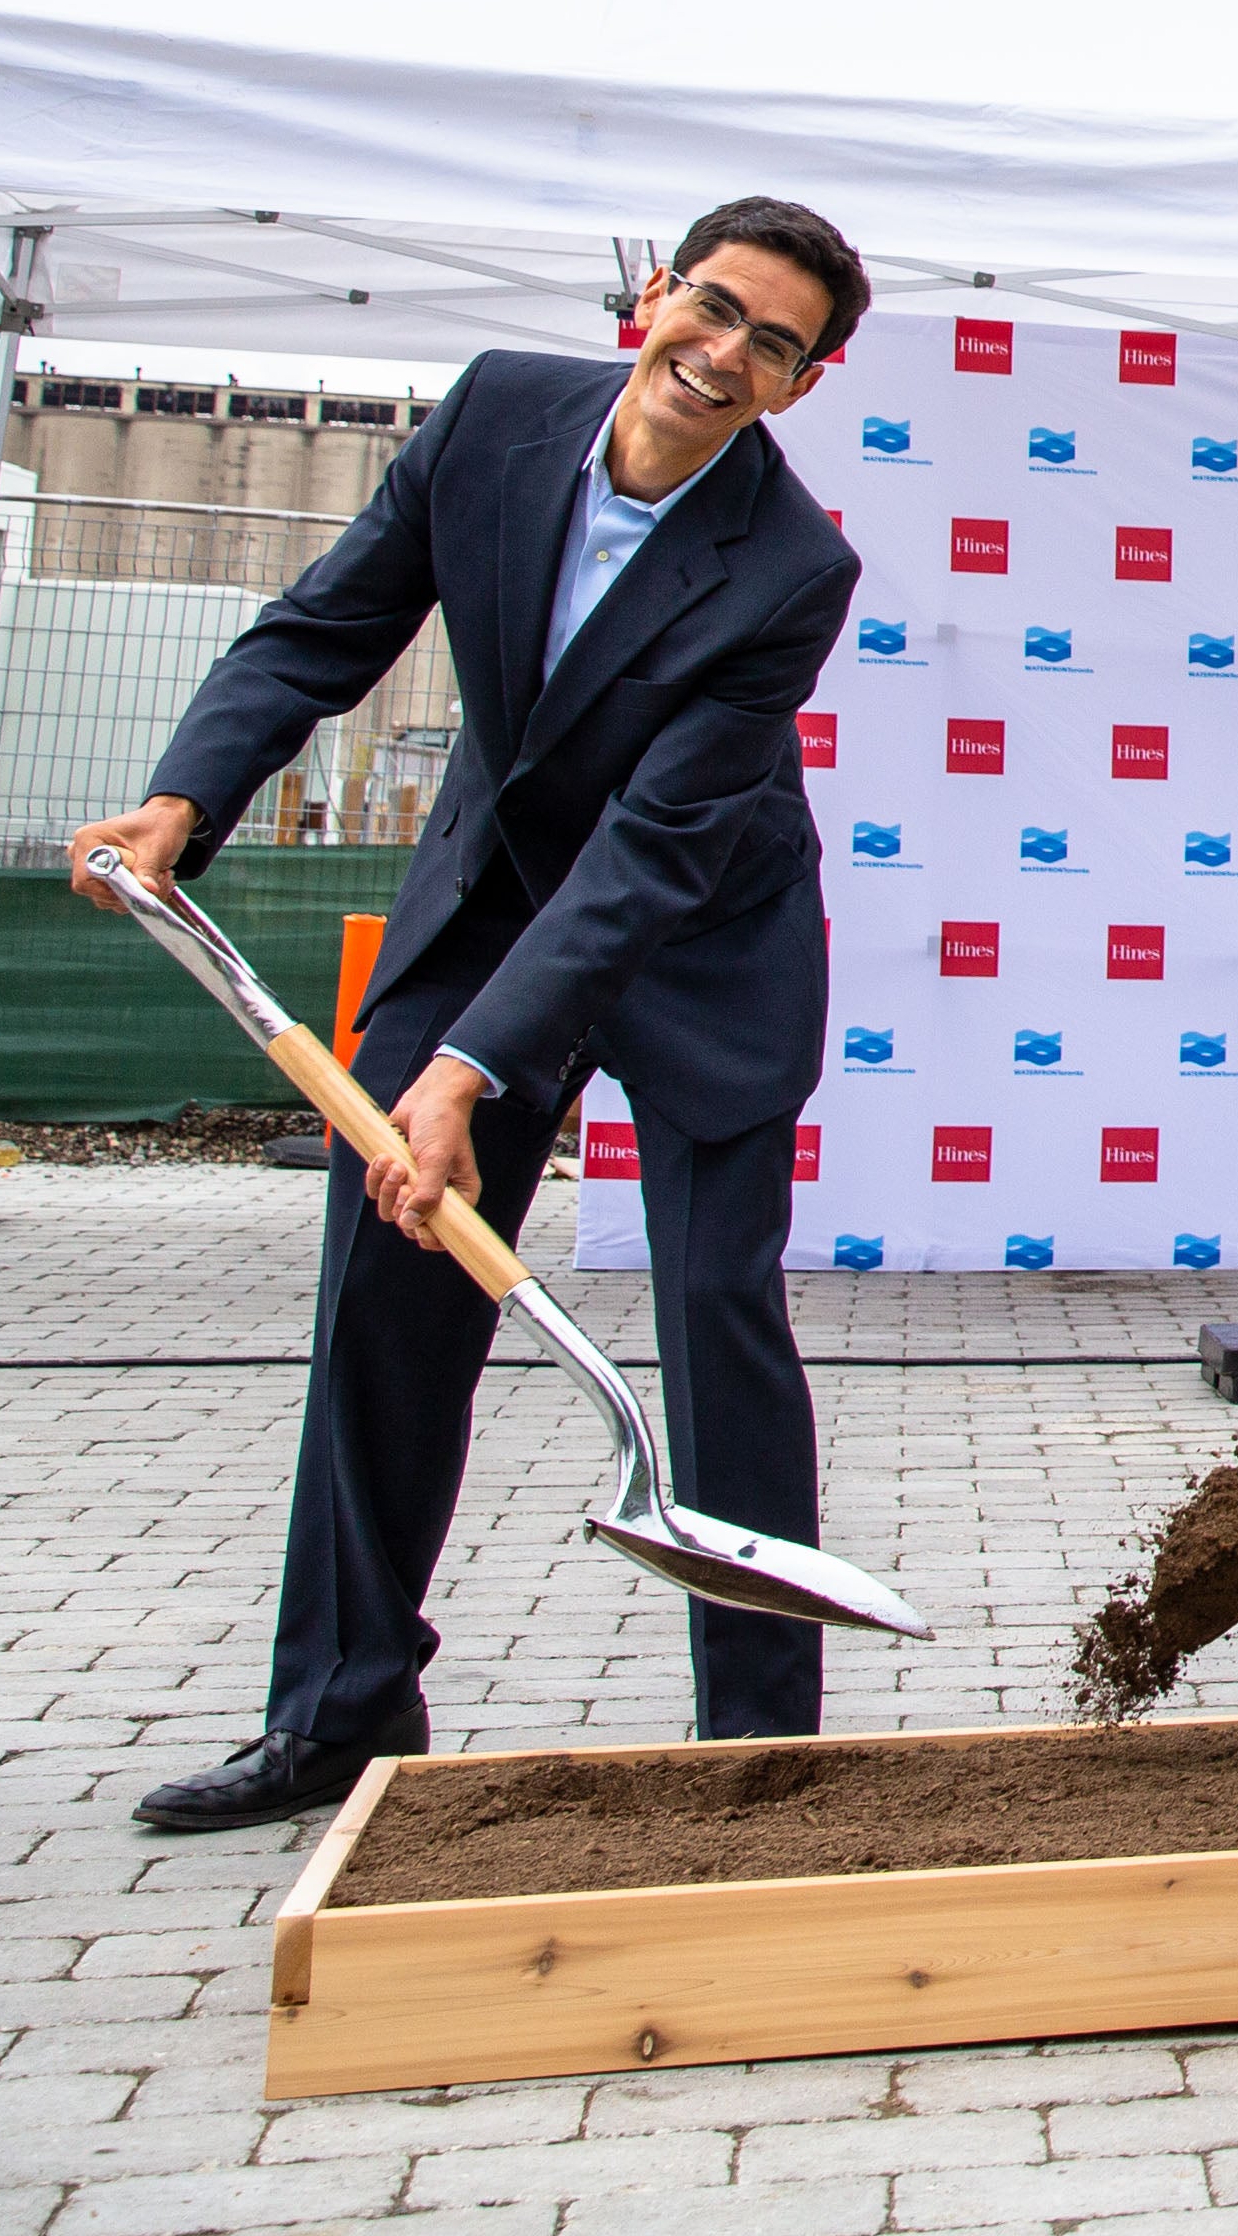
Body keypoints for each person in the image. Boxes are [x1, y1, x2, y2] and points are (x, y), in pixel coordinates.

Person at [74, 199, 874, 1827]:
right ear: (653, 293)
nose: (721, 355)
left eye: (769, 345)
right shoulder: (501, 410)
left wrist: (467, 1069)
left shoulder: (794, 567)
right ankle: (342, 1713)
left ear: (803, 383)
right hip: (492, 892)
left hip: (695, 936)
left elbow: (647, 859)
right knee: (390, 1286)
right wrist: (183, 804)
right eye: (710, 309)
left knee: (718, 1318)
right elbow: (327, 626)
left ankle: (760, 1754)